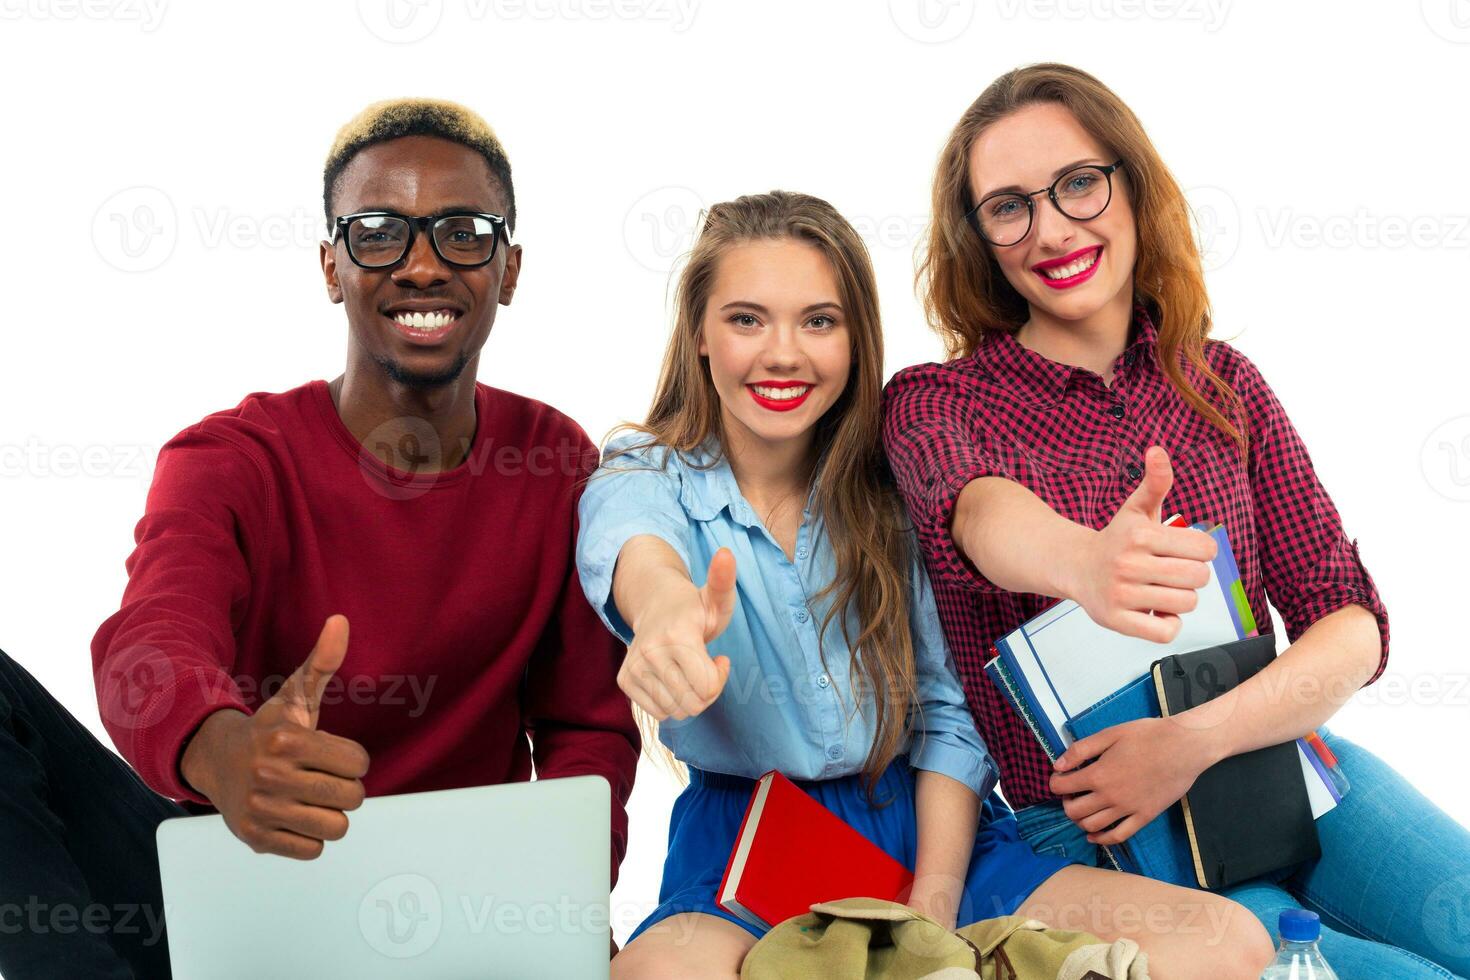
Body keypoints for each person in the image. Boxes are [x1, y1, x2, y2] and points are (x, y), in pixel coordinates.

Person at [0, 97, 638, 979]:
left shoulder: (557, 462)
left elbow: (586, 727)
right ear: (333, 267)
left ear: (509, 268)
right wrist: (223, 751)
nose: (420, 266)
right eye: (378, 232)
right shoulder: (230, 458)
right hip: (244, 894)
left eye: (462, 231)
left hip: (462, 918)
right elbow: (152, 635)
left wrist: (564, 901)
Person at [577, 189, 1272, 979]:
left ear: (855, 338)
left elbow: (949, 711)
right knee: (653, 975)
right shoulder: (643, 477)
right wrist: (667, 618)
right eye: (746, 319)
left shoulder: (892, 486)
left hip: (932, 828)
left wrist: (932, 912)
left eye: (818, 320)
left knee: (1233, 942)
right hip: (747, 843)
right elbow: (638, 555)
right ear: (699, 332)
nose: (782, 353)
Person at [882, 62, 1470, 978]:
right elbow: (978, 512)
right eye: (1008, 207)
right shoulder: (936, 402)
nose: (1052, 228)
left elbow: (1349, 622)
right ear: (980, 238)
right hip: (1101, 822)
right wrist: (1086, 562)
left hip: (1279, 763)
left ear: (1130, 183)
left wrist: (1194, 742)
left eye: (1078, 183)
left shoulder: (1222, 382)